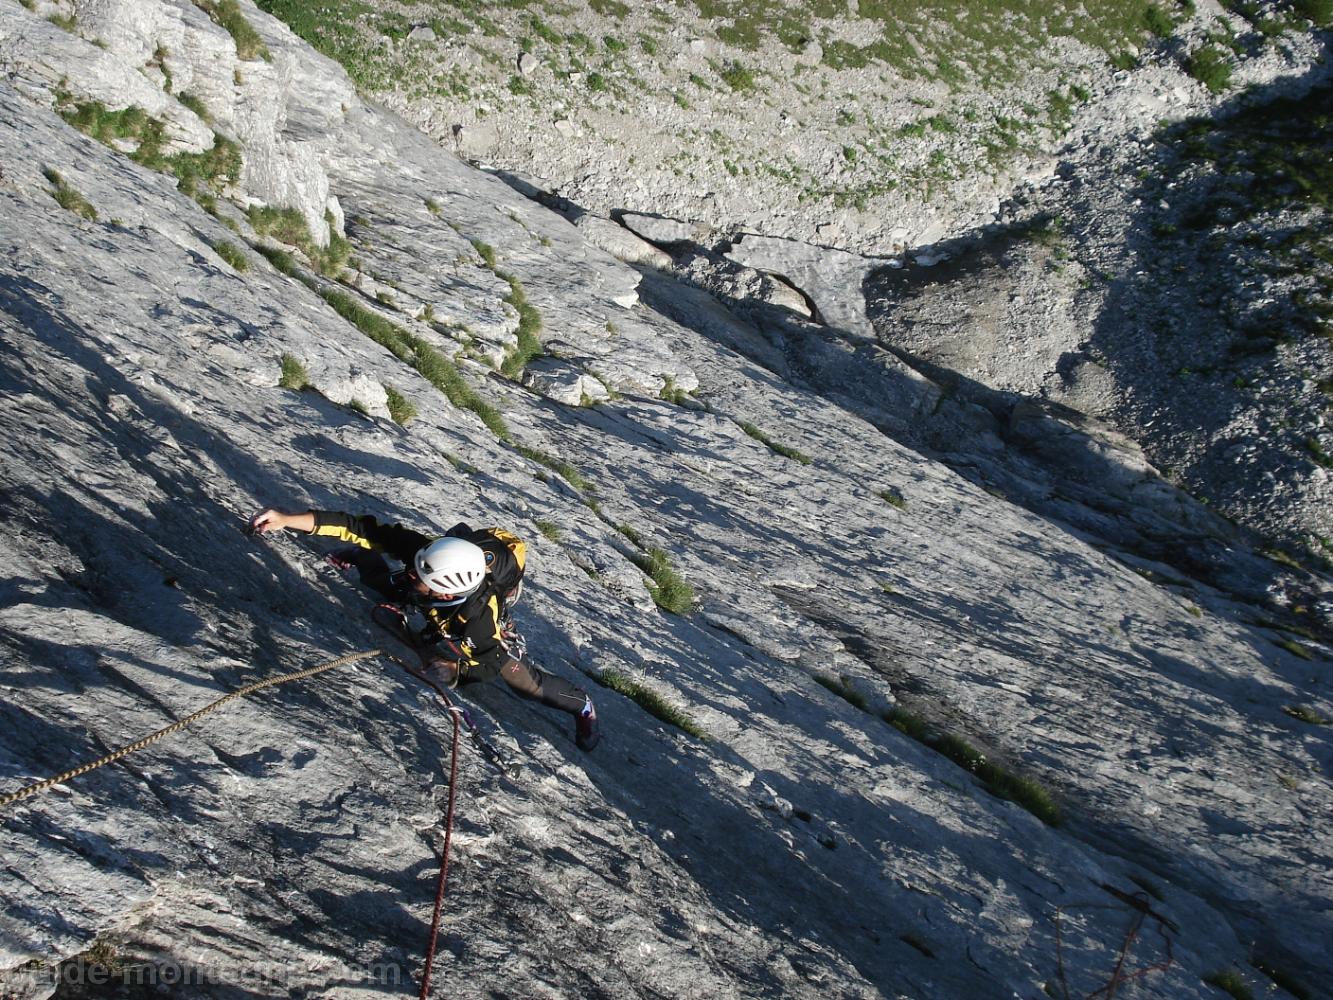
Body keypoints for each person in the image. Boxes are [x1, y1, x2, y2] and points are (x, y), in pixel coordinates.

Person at [247, 506, 600, 751]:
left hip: (482, 607)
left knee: (520, 678)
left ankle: (582, 705)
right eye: (415, 568)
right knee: (390, 586)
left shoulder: (478, 618)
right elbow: (363, 527)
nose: (411, 571)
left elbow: (490, 664)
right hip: (453, 579)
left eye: (419, 574)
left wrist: (456, 669)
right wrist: (286, 519)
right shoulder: (426, 556)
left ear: (445, 590)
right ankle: (360, 558)